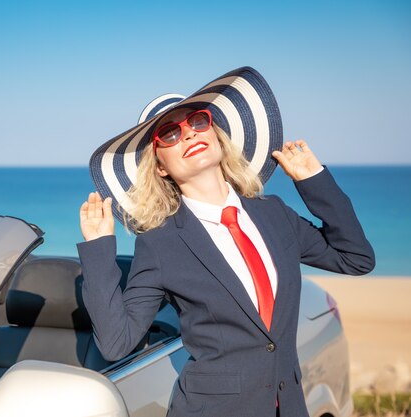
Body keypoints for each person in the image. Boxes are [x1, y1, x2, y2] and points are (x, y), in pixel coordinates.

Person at [77, 67, 375, 417]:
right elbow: (116, 343)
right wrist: (99, 250)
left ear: (217, 136)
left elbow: (355, 258)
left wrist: (314, 181)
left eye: (198, 122)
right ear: (160, 167)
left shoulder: (274, 214)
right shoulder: (160, 244)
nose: (188, 135)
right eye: (170, 134)